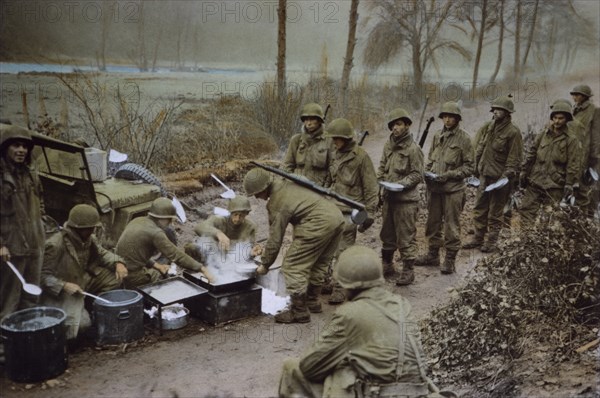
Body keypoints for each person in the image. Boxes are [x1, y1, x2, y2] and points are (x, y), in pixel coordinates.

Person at [278, 245, 436, 398]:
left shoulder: (349, 314)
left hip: (378, 393)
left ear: (347, 284)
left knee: (292, 367)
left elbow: (309, 367)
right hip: (416, 392)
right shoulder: (402, 304)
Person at [243, 167, 344, 323]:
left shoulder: (277, 202)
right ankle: (312, 302)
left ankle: (299, 311)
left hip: (318, 223)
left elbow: (275, 239)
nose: (257, 197)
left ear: (264, 188)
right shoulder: (288, 181)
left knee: (292, 266)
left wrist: (265, 264)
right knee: (319, 263)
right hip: (336, 217)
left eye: (256, 193)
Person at [40, 204, 127, 339]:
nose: (92, 231)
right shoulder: (55, 244)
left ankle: (92, 308)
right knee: (82, 325)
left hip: (83, 280)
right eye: (89, 229)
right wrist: (63, 286)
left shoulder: (88, 239)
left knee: (114, 278)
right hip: (62, 292)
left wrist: (118, 263)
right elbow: (42, 276)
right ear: (78, 229)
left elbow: (102, 254)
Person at [324, 118, 378, 303]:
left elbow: (371, 188)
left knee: (343, 251)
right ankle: (328, 280)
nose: (334, 142)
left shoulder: (361, 157)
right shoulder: (334, 154)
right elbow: (328, 181)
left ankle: (340, 287)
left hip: (349, 211)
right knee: (327, 248)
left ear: (346, 138)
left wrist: (369, 214)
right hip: (331, 209)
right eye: (333, 138)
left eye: (337, 138)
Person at [416, 102, 474, 274]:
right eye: (445, 117)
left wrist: (449, 175)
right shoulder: (436, 136)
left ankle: (450, 260)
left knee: (451, 225)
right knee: (432, 224)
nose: (448, 120)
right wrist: (427, 172)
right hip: (435, 189)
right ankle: (432, 255)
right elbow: (431, 159)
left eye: (451, 117)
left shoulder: (464, 139)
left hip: (453, 190)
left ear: (457, 119)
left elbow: (470, 167)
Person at [463, 96, 523, 252]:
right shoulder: (490, 127)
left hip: (499, 178)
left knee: (495, 212)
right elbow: (481, 150)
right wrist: (475, 170)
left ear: (507, 112)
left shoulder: (513, 132)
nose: (496, 112)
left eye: (499, 110)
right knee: (479, 207)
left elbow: (514, 158)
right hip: (484, 175)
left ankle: (491, 241)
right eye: (494, 109)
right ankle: (478, 238)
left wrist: (505, 177)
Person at [116, 197, 214, 288]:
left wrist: (157, 265)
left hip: (118, 266)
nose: (170, 222)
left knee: (160, 269)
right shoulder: (155, 233)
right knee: (161, 278)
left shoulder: (138, 220)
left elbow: (137, 255)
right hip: (129, 274)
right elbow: (176, 255)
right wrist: (202, 269)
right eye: (169, 219)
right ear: (162, 218)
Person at [0, 124, 45, 322]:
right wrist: (1, 243)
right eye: (16, 145)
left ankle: (27, 340)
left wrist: (42, 222)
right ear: (5, 148)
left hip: (35, 245)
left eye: (24, 147)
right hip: (13, 247)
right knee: (9, 300)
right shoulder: (2, 177)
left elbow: (41, 202)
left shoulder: (30, 175)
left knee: (31, 296)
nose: (21, 150)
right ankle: (3, 348)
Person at [377, 108, 424, 286]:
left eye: (399, 124)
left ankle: (408, 271)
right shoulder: (388, 145)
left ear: (407, 125)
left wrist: (401, 184)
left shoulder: (414, 149)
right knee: (387, 234)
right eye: (393, 125)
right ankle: (387, 265)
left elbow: (417, 174)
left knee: (406, 236)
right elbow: (382, 166)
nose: (395, 128)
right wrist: (380, 182)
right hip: (389, 197)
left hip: (406, 200)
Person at [519, 101, 582, 223]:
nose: (557, 121)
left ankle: (543, 241)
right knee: (526, 211)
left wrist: (569, 184)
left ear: (567, 119)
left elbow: (573, 164)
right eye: (555, 118)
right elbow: (531, 154)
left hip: (555, 184)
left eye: (561, 118)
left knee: (549, 217)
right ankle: (526, 241)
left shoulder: (571, 139)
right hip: (536, 180)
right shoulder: (543, 134)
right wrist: (524, 171)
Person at [185, 195, 262, 262]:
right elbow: (199, 228)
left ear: (246, 214)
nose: (237, 218)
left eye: (241, 215)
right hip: (212, 256)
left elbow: (247, 250)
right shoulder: (219, 220)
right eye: (235, 214)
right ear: (230, 212)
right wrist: (219, 234)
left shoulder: (250, 227)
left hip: (232, 261)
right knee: (192, 247)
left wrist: (251, 252)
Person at [282, 103, 334, 187]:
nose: (309, 123)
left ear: (319, 120)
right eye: (306, 119)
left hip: (319, 190)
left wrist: (326, 188)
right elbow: (287, 166)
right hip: (296, 187)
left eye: (312, 119)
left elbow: (332, 170)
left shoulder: (329, 141)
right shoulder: (296, 140)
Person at [570, 84, 600, 217]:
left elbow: (596, 135)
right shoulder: (574, 110)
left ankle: (586, 218)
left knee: (586, 187)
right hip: (575, 153)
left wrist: (594, 155)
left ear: (585, 96)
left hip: (587, 155)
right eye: (574, 95)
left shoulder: (594, 110)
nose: (575, 97)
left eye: (577, 95)